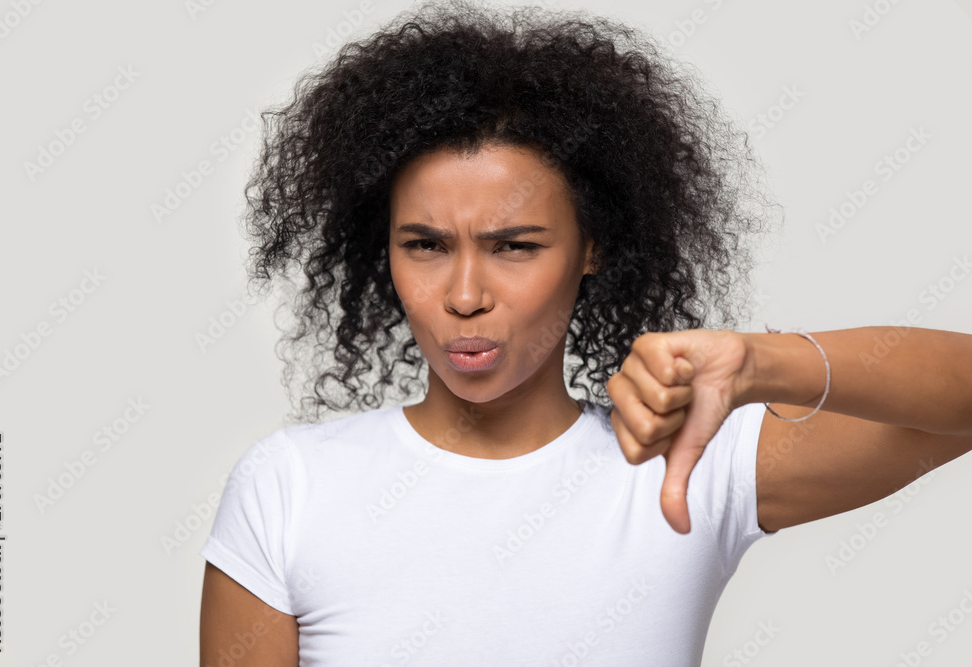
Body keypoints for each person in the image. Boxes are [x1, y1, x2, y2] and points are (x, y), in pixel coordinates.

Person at [198, 1, 972, 664]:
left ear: (593, 245)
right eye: (426, 244)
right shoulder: (288, 488)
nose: (464, 294)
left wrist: (762, 360)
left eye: (516, 246)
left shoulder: (683, 465)